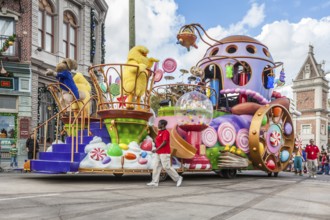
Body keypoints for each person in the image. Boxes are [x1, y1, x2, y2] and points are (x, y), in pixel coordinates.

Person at [147, 120, 183, 187]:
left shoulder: (166, 132)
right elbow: (158, 141)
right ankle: (154, 182)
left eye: (159, 123)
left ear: (163, 125)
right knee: (156, 166)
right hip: (159, 153)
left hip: (164, 152)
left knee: (166, 167)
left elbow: (165, 142)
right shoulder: (160, 132)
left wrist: (157, 149)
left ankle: (178, 178)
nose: (158, 125)